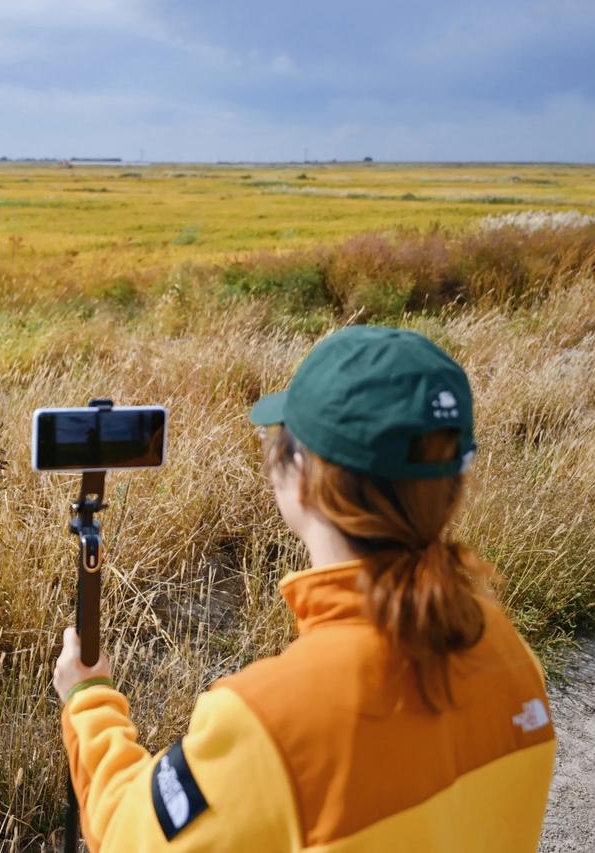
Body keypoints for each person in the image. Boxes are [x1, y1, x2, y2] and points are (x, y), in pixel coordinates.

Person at [54, 325, 555, 852]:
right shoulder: (507, 651)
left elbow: (127, 836)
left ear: (303, 474)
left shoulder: (267, 723)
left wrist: (88, 700)